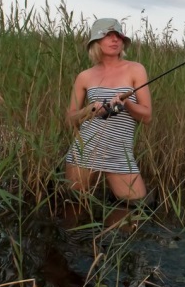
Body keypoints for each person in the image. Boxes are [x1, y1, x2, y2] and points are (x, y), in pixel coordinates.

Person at [65, 18, 152, 202]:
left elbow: (147, 116)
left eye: (118, 36)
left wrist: (126, 104)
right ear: (96, 42)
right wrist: (89, 110)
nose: (115, 40)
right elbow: (70, 119)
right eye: (108, 36)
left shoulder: (136, 69)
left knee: (136, 207)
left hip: (119, 152)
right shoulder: (85, 76)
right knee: (74, 205)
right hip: (84, 150)